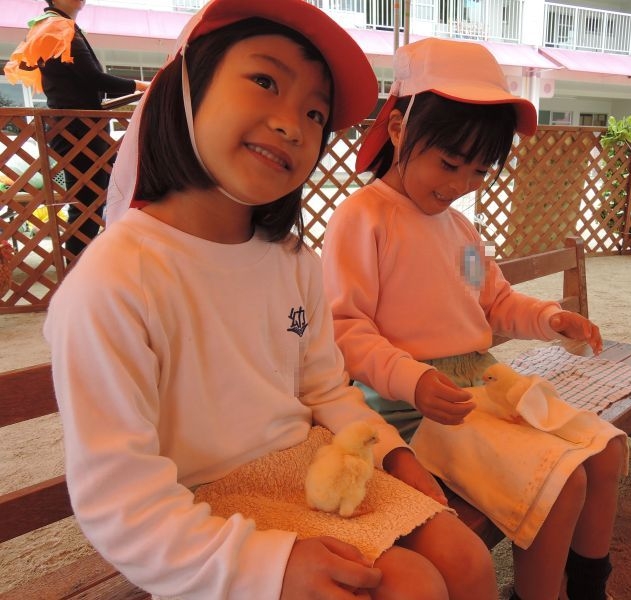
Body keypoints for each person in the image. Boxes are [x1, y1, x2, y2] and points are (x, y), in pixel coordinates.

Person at [42, 2, 497, 598]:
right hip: (204, 505)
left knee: (468, 563)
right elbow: (118, 500)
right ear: (186, 87)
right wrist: (269, 567)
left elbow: (330, 387)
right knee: (412, 586)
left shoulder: (306, 260)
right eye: (265, 81)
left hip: (329, 455)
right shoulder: (115, 282)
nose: (292, 124)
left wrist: (391, 454)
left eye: (315, 112)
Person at [321, 38, 628, 600]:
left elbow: (491, 301)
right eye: (449, 163)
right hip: (411, 403)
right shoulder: (362, 217)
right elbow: (344, 328)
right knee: (561, 483)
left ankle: (588, 585)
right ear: (397, 131)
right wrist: (411, 378)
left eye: (480, 171)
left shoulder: (461, 232)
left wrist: (551, 319)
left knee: (608, 451)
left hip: (479, 382)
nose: (461, 184)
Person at [4, 0, 149, 259]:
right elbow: (94, 79)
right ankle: (77, 266)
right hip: (79, 130)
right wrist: (142, 85)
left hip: (73, 129)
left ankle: (83, 263)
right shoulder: (57, 27)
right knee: (89, 204)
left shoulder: (50, 25)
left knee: (98, 197)